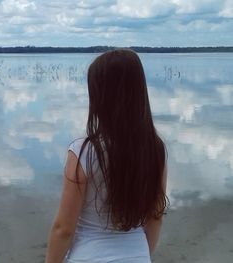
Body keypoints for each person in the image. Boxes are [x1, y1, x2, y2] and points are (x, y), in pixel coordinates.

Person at [45, 49, 169, 263]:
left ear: (99, 97)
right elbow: (155, 216)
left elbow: (63, 229)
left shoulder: (82, 151)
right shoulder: (155, 149)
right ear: (140, 92)